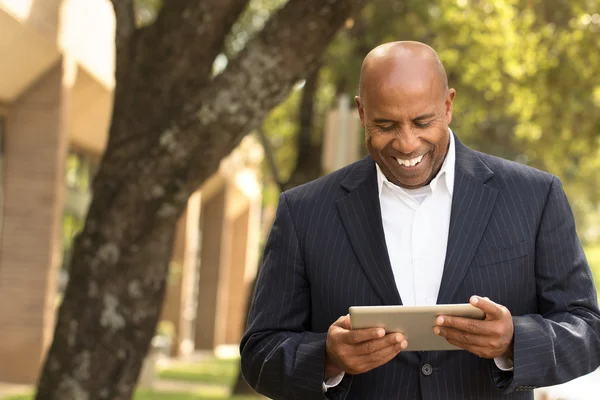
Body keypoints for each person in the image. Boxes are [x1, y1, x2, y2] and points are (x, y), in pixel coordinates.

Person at [239, 41, 600, 399]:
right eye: (385, 125)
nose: (407, 143)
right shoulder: (303, 212)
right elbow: (260, 353)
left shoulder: (534, 197)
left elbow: (587, 331)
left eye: (422, 121)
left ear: (448, 105)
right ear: (362, 113)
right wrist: (328, 360)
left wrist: (514, 341)